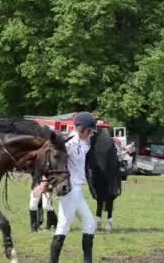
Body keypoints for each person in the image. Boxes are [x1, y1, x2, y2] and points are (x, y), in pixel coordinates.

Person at [48, 112, 97, 263]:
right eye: (89, 131)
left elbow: (86, 148)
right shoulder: (68, 144)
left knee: (90, 223)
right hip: (69, 189)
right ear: (81, 129)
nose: (90, 134)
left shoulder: (83, 142)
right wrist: (46, 183)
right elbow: (55, 161)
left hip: (78, 190)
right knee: (63, 226)